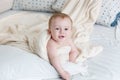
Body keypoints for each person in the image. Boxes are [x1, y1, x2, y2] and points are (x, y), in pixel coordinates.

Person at [47, 13, 80, 80]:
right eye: (57, 28)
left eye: (66, 29)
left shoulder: (68, 40)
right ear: (50, 31)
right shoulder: (52, 43)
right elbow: (53, 57)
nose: (62, 32)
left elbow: (74, 51)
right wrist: (62, 72)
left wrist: (71, 63)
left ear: (71, 31)